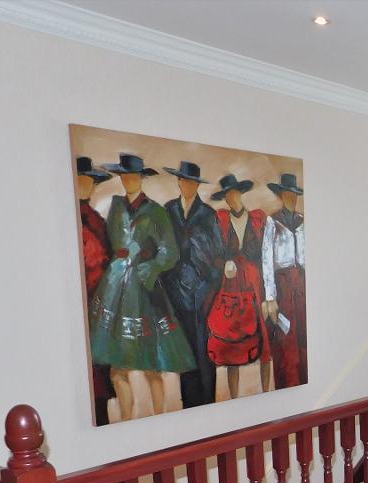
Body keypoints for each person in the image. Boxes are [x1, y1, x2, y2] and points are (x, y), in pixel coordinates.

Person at [89, 153, 195, 419]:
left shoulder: (156, 211)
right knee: (117, 364)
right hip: (115, 288)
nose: (128, 181)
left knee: (151, 362)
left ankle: (160, 418)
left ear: (141, 178)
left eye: (133, 176)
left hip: (144, 290)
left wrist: (151, 267)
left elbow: (169, 251)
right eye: (124, 176)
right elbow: (110, 243)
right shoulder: (116, 207)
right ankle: (126, 419)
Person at [162, 160, 225, 408]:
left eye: (191, 182)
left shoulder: (207, 214)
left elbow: (218, 256)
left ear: (197, 185)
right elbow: (162, 246)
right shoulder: (169, 210)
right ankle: (189, 407)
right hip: (176, 292)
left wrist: (208, 287)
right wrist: (168, 283)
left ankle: (208, 403)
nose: (187, 185)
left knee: (203, 351)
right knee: (184, 352)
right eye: (183, 181)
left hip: (202, 293)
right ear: (178, 182)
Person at [210, 173, 272, 398]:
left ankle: (267, 392)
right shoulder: (221, 220)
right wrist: (224, 263)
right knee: (232, 337)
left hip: (255, 283)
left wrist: (269, 295)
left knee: (263, 336)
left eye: (234, 193)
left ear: (240, 194)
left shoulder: (257, 219)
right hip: (231, 283)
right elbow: (214, 253)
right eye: (227, 195)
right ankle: (234, 397)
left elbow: (266, 254)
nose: (231, 198)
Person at [76, 156, 115, 425]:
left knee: (101, 368)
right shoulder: (71, 218)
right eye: (82, 180)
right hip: (83, 304)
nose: (87, 185)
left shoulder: (97, 219)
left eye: (90, 181)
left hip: (101, 304)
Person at [262, 172, 308, 388]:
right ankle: (288, 386)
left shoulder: (303, 221)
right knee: (285, 334)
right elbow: (266, 259)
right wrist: (270, 296)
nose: (292, 198)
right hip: (282, 284)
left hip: (302, 284)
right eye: (288, 194)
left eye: (294, 194)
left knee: (304, 335)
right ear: (281, 195)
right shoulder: (273, 221)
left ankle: (305, 382)